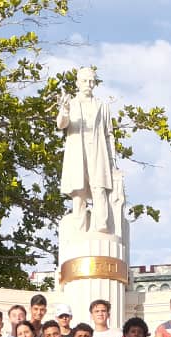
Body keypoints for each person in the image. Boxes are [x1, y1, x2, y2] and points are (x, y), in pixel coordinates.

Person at [57, 65, 116, 233]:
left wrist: (113, 161)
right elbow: (61, 124)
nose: (89, 84)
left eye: (92, 81)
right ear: (78, 83)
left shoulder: (102, 106)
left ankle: (101, 226)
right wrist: (65, 109)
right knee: (79, 192)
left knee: (99, 188)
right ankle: (80, 229)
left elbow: (108, 134)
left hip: (98, 150)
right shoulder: (71, 104)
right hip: (78, 151)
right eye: (85, 81)